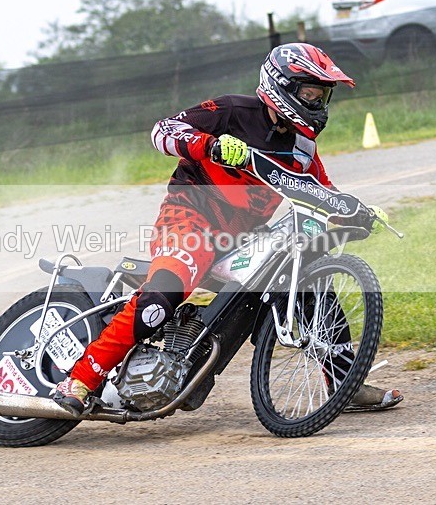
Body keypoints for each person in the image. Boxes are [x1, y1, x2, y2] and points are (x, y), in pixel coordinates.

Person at [54, 42, 403, 416]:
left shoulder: (303, 147)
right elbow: (162, 130)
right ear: (282, 85)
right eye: (310, 94)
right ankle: (78, 381)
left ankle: (344, 384)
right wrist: (211, 145)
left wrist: (356, 212)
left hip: (242, 237)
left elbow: (320, 191)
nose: (317, 103)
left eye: (322, 96)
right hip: (189, 219)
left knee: (309, 282)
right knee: (162, 297)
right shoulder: (232, 111)